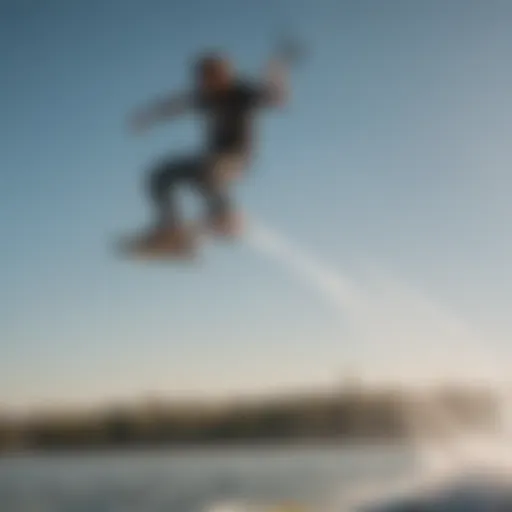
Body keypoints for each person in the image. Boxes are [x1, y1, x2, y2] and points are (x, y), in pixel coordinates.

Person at [128, 43, 296, 251]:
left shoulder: (242, 93)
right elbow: (176, 105)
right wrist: (148, 115)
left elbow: (278, 98)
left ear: (224, 75)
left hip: (237, 159)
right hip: (211, 159)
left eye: (209, 80)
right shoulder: (206, 97)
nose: (205, 86)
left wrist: (277, 70)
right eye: (203, 81)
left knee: (209, 171)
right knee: (161, 175)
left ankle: (226, 216)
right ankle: (170, 229)